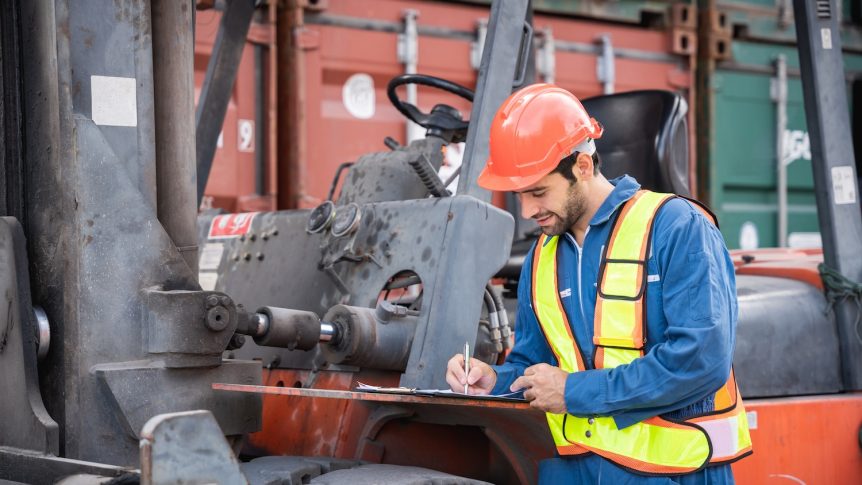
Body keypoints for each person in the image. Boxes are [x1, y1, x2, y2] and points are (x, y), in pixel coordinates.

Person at [445, 84, 752, 484]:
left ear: (583, 167)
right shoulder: (543, 257)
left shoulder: (677, 227)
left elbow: (700, 361)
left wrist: (574, 392)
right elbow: (534, 367)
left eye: (538, 192)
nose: (528, 211)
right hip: (572, 472)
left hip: (674, 474)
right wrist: (493, 380)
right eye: (519, 196)